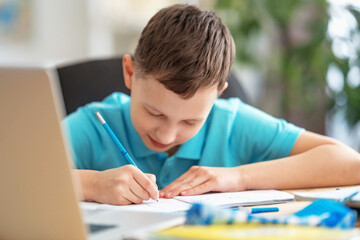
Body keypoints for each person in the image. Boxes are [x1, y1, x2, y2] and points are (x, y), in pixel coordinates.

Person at [63, 4, 360, 206]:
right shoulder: (94, 124)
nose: (166, 136)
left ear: (218, 94)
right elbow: (16, 177)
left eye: (191, 122)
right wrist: (91, 185)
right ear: (129, 73)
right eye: (154, 112)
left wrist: (237, 177)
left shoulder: (231, 122)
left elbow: (350, 164)